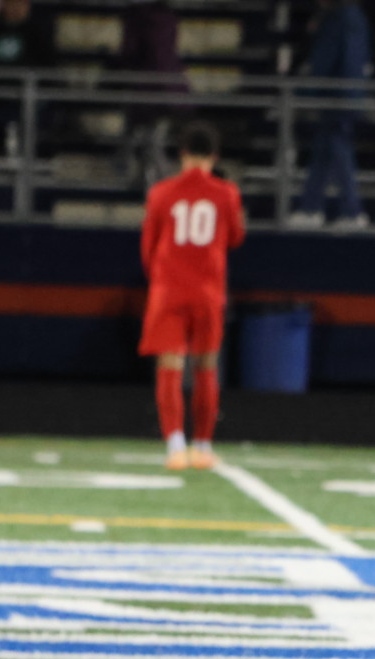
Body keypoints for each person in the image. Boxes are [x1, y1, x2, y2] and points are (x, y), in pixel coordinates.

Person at [139, 121, 246, 470]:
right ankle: (202, 445)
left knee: (169, 367)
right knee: (206, 367)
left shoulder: (161, 192)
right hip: (207, 291)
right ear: (213, 157)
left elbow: (148, 248)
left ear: (182, 155)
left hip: (169, 290)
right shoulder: (226, 192)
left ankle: (174, 445)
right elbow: (235, 237)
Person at [285, 0, 371, 230]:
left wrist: (303, 90)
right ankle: (311, 208)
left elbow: (324, 61)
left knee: (338, 146)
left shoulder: (338, 18)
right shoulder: (352, 16)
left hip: (337, 96)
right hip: (345, 93)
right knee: (323, 151)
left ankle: (352, 211)